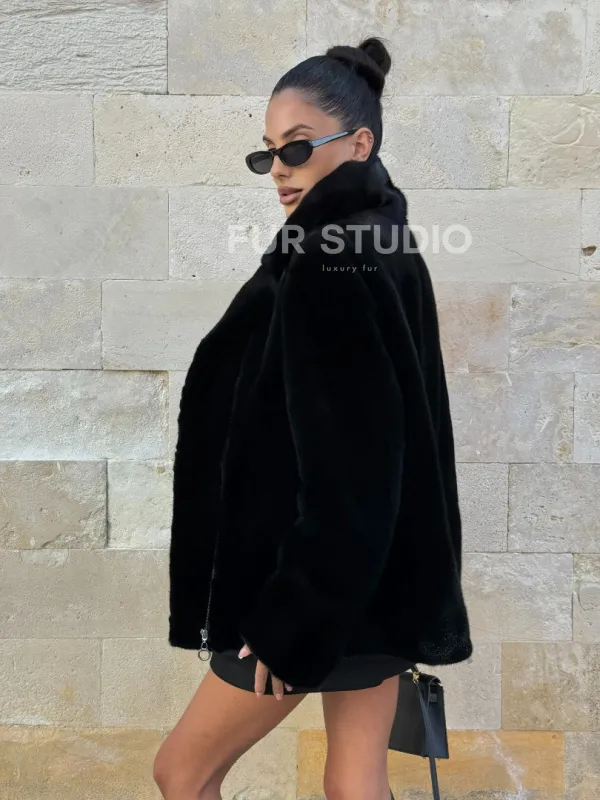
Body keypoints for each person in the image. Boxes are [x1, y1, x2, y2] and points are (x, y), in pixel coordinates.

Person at [154, 36, 472, 800]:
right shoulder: (385, 241)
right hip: (381, 586)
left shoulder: (327, 261)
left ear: (359, 143)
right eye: (267, 154)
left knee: (182, 772)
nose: (279, 169)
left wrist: (294, 617)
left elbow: (355, 472)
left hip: (309, 591)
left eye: (296, 148)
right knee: (354, 783)